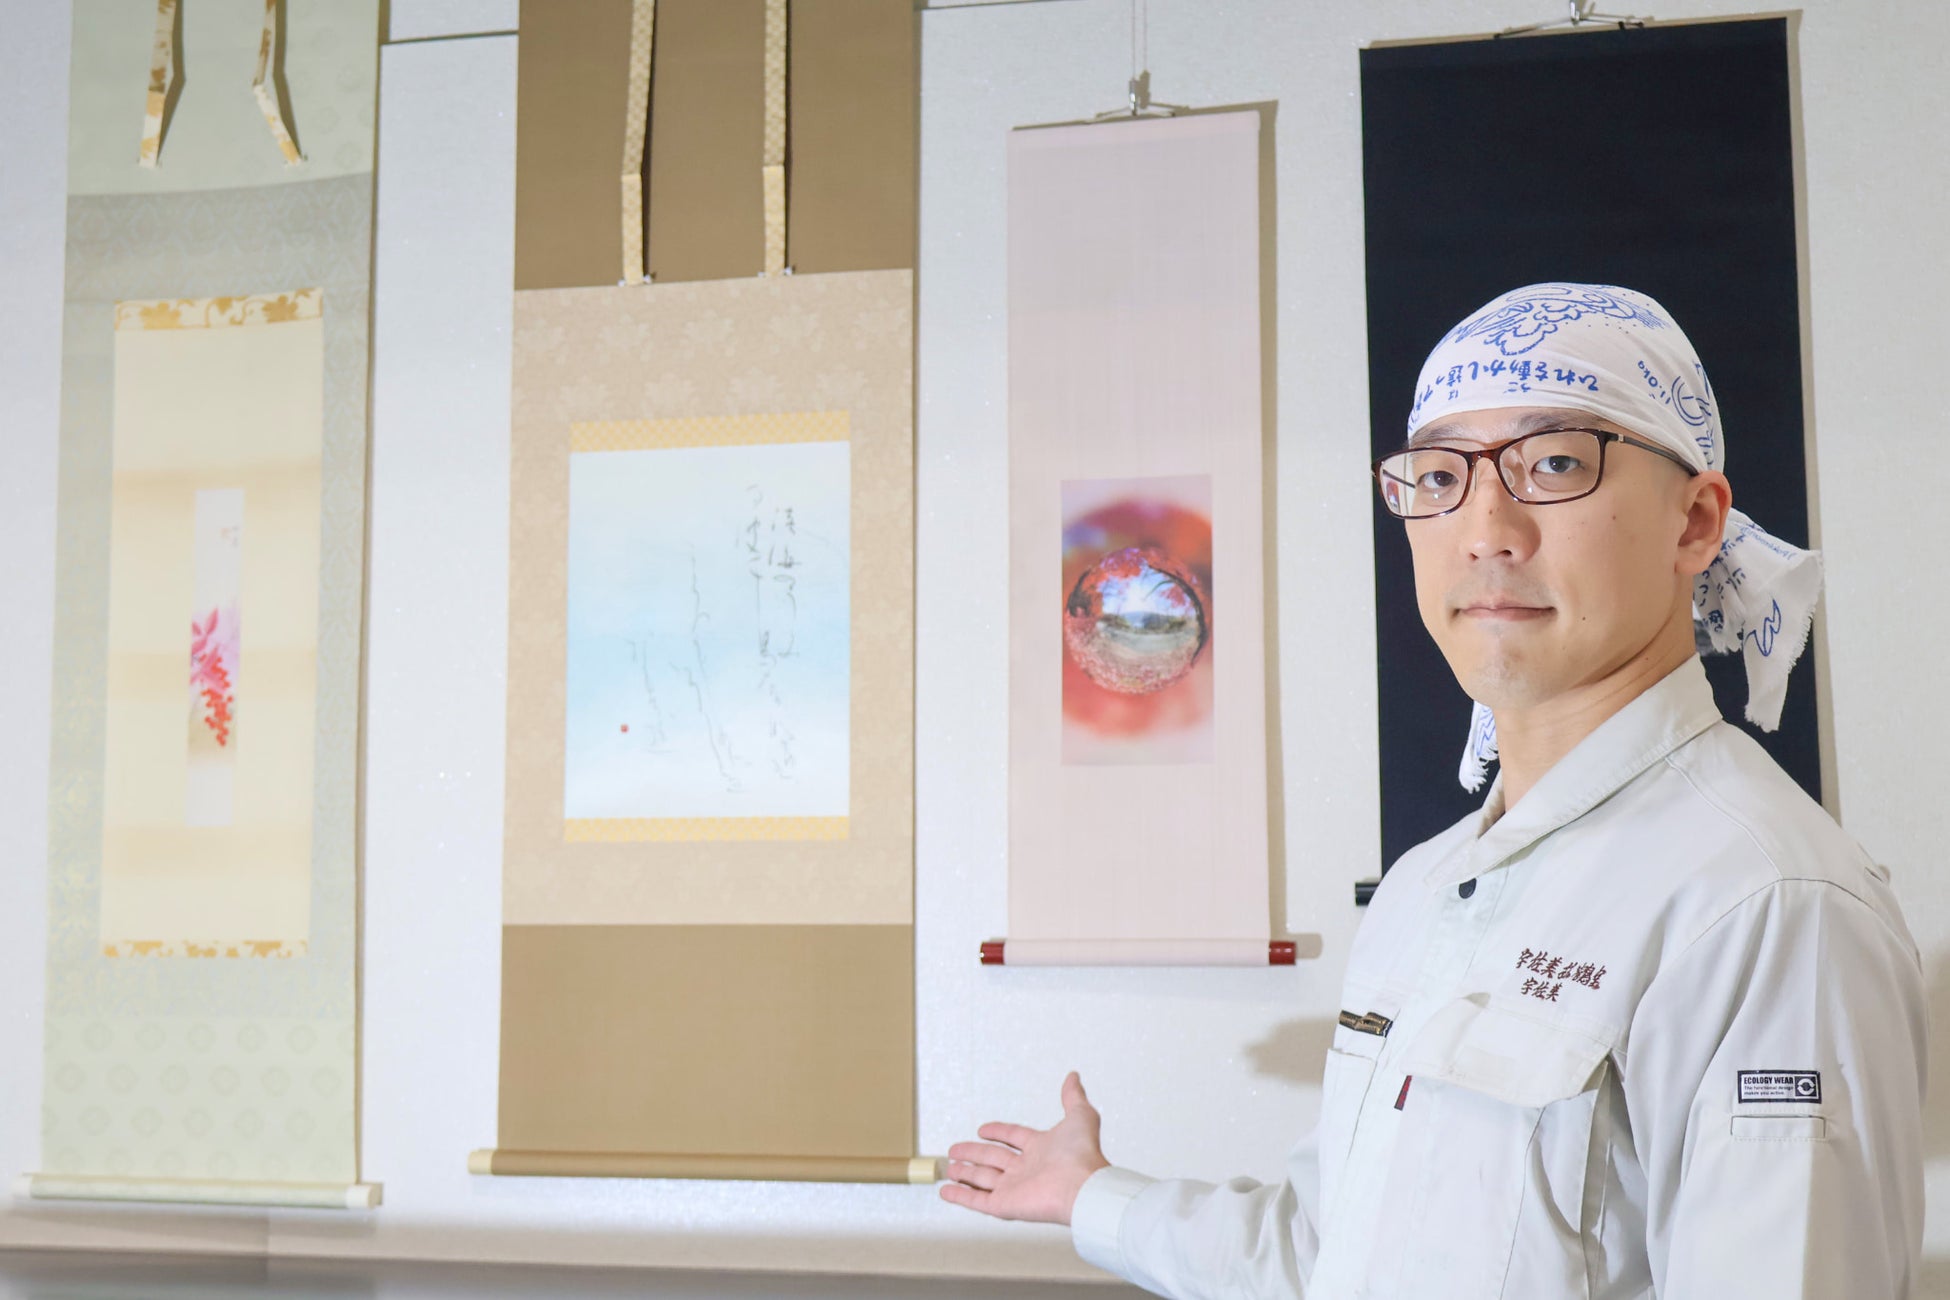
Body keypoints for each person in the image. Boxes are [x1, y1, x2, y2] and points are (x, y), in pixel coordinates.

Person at [940, 284, 1927, 1298]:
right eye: (1442, 476)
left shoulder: (1767, 906)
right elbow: (1325, 1253)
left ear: (1695, 521)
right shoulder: (1423, 889)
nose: (1486, 529)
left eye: (1554, 463)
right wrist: (1088, 1194)